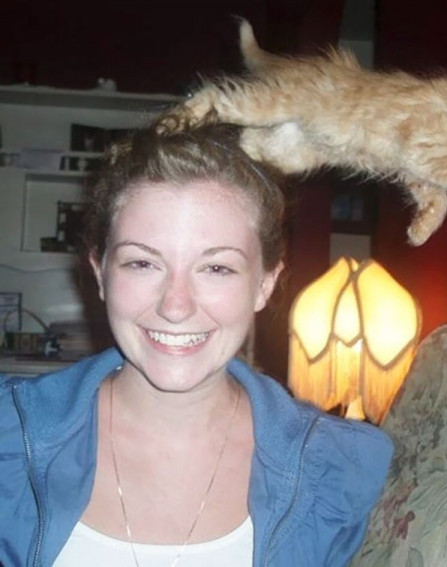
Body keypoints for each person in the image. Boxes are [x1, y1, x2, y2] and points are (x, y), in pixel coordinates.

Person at [0, 113, 393, 566]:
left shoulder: (340, 469)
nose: (176, 305)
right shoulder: (10, 436)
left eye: (216, 268)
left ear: (265, 284)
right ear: (100, 273)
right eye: (142, 263)